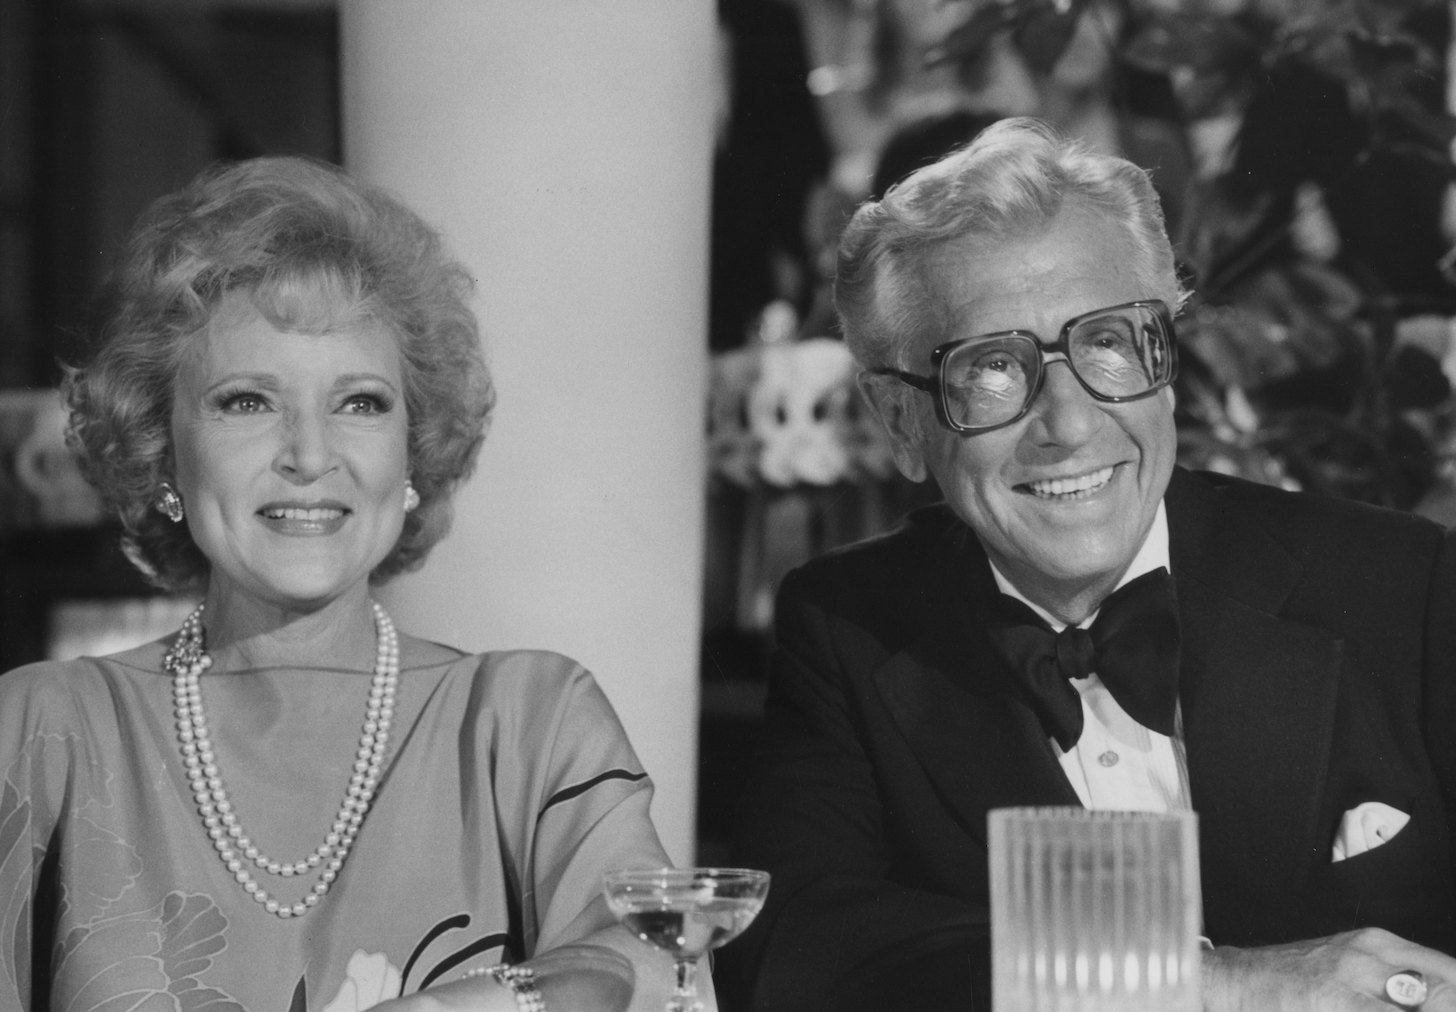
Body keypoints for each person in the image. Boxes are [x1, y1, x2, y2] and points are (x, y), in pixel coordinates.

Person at [721, 116, 1456, 1010]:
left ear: (1167, 363)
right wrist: (1209, 984)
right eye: (993, 368)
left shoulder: (1402, 584)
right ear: (903, 422)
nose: (1069, 425)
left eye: (1108, 343)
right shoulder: (847, 627)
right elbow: (791, 945)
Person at [0, 155, 709, 1012]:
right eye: (246, 402)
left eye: (361, 403)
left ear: (413, 454)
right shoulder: (43, 731)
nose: (309, 454)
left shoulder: (526, 723)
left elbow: (645, 965)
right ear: (161, 450)